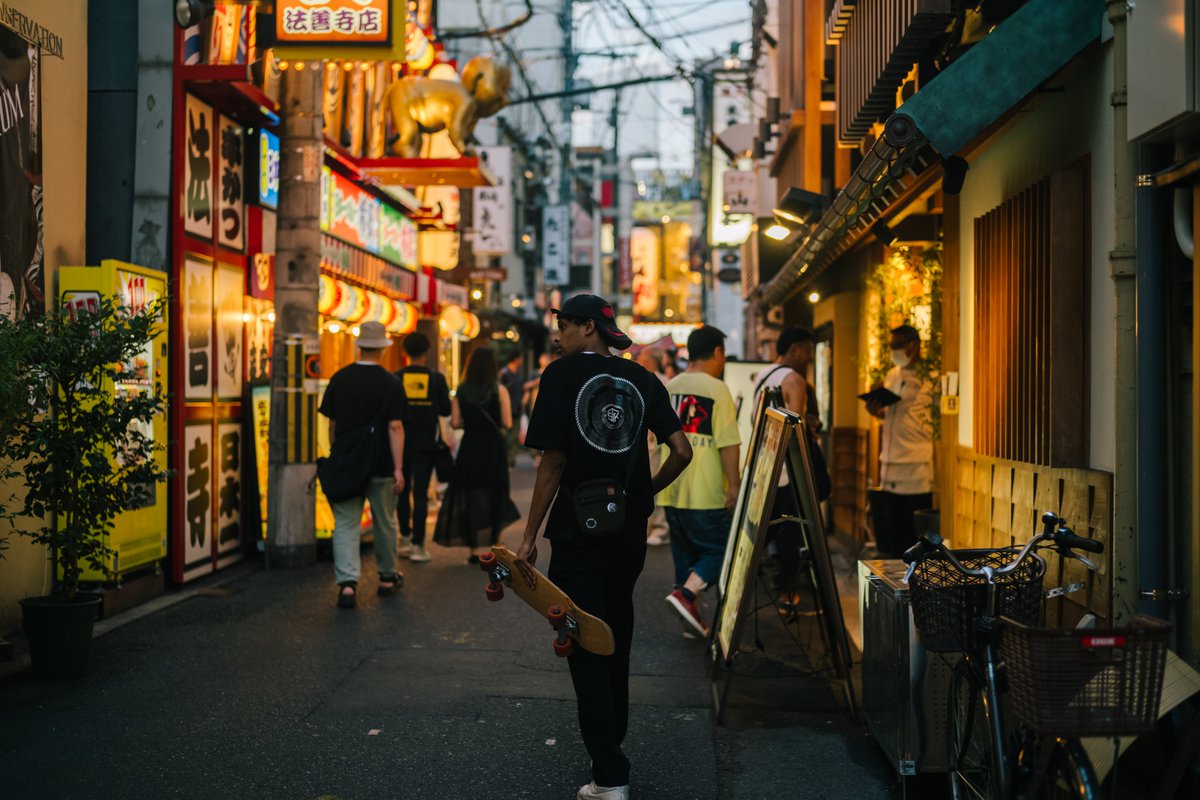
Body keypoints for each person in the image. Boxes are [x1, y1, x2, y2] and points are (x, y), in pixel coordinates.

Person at [516, 294, 692, 800]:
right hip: (626, 533)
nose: (557, 336)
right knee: (616, 632)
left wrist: (529, 536)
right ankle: (610, 742)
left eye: (564, 326)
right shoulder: (643, 378)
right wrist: (644, 495)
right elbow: (680, 450)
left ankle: (610, 774)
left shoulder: (560, 375)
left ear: (587, 327)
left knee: (585, 641)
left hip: (576, 532)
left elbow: (552, 462)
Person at [317, 321, 407, 609]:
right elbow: (395, 427)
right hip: (381, 463)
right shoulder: (391, 383)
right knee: (385, 521)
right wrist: (398, 468)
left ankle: (346, 584)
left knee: (345, 523)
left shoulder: (340, 379)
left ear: (359, 346)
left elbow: (332, 423)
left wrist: (338, 451)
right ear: (382, 349)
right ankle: (387, 578)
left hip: (346, 460)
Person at [659, 325, 741, 638]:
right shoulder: (717, 389)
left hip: (671, 488)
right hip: (706, 491)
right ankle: (687, 596)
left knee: (683, 554)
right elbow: (728, 441)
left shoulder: (669, 386)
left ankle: (688, 620)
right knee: (720, 551)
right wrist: (733, 485)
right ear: (718, 353)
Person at [433, 347, 520, 562]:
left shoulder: (462, 390)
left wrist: (470, 419)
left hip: (470, 446)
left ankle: (473, 548)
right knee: (495, 491)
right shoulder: (499, 390)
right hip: (493, 447)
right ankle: (494, 543)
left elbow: (455, 423)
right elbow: (508, 422)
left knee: (470, 494)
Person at [753, 326, 816, 592]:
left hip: (764, 462)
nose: (809, 357)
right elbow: (796, 430)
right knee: (789, 524)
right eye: (807, 351)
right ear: (795, 349)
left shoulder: (763, 375)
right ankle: (787, 582)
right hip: (786, 468)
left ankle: (751, 568)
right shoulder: (794, 380)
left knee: (767, 522)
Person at [866, 324, 934, 556]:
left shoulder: (930, 377)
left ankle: (914, 585)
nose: (893, 351)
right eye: (890, 346)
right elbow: (892, 413)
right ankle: (895, 585)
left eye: (896, 346)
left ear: (913, 346)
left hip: (916, 463)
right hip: (889, 462)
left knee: (913, 534)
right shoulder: (893, 374)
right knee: (893, 534)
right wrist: (876, 411)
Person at [394, 331, 451, 563]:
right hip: (426, 445)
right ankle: (418, 546)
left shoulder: (395, 378)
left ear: (404, 352)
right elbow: (446, 411)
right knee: (419, 495)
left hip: (400, 444)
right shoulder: (436, 379)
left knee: (402, 491)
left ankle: (404, 540)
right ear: (427, 352)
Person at [635, 347, 671, 547]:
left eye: (643, 356)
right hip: (646, 443)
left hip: (654, 442)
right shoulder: (647, 378)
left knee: (654, 484)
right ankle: (651, 526)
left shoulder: (661, 380)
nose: (639, 358)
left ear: (652, 360)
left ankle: (660, 528)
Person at [500, 353, 525, 466]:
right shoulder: (504, 373)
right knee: (505, 435)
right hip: (506, 409)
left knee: (514, 436)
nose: (522, 361)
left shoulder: (517, 374)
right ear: (515, 359)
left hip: (517, 408)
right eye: (520, 359)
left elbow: (521, 388)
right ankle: (504, 459)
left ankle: (510, 460)